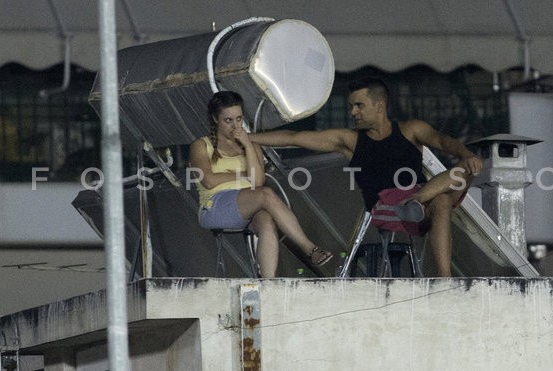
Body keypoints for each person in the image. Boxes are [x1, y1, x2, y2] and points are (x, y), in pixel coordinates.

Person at [250, 77, 483, 276]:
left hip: (420, 200)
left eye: (359, 106)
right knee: (442, 200)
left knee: (466, 167)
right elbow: (294, 137)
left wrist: (467, 155)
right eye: (352, 106)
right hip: (387, 206)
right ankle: (444, 274)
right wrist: (248, 138)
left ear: (379, 106)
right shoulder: (350, 140)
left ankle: (420, 206)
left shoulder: (412, 129)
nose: (353, 112)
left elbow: (444, 141)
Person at [190, 91, 333, 276]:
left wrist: (248, 144)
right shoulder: (201, 145)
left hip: (247, 204)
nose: (235, 126)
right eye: (228, 120)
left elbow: (257, 180)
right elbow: (209, 180)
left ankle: (268, 282)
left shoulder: (251, 144)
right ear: (215, 119)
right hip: (214, 206)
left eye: (239, 119)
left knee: (266, 220)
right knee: (265, 194)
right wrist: (244, 175)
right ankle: (310, 249)